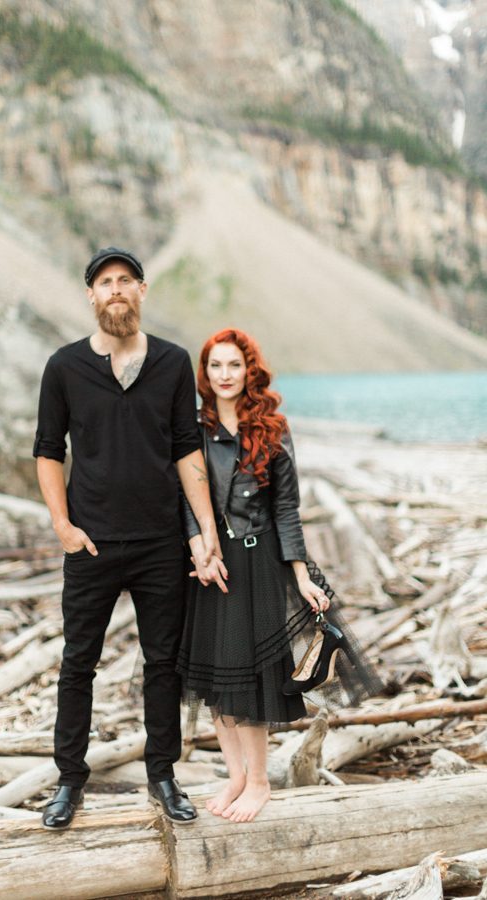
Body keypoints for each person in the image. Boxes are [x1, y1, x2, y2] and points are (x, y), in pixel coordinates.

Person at [33, 247, 225, 830]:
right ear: (91, 296)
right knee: (78, 664)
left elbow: (186, 448)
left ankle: (162, 776)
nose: (115, 289)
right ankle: (70, 782)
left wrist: (206, 528)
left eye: (125, 281)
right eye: (104, 282)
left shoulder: (171, 362)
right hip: (90, 544)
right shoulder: (64, 366)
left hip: (159, 543)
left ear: (142, 291)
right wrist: (63, 526)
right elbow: (47, 450)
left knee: (163, 663)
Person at [177, 328, 383, 823]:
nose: (224, 375)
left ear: (250, 371)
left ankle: (261, 781)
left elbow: (286, 509)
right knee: (215, 679)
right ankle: (236, 777)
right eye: (215, 366)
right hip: (210, 564)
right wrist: (201, 551)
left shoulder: (271, 428)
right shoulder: (193, 427)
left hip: (259, 563)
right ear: (205, 374)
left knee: (250, 679)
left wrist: (302, 573)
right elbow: (183, 495)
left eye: (233, 365)